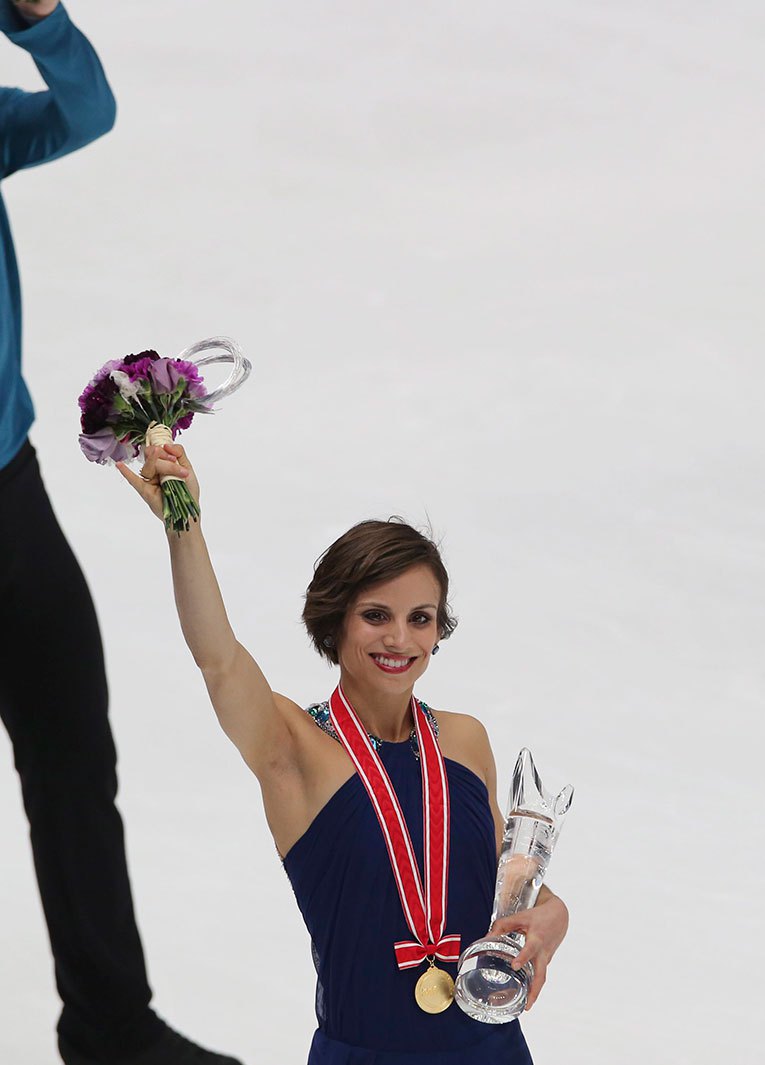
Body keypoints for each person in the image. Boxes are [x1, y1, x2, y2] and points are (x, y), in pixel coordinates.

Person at [118, 441, 570, 1064]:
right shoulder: (295, 750)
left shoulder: (466, 741)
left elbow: (509, 886)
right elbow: (219, 660)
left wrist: (554, 916)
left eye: (421, 618)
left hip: (491, 1049)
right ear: (335, 622)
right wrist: (183, 525)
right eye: (375, 615)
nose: (399, 638)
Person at [0, 4, 242, 1063]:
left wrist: (42, 20)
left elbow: (84, 112)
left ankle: (109, 1025)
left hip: (9, 493)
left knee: (71, 749)